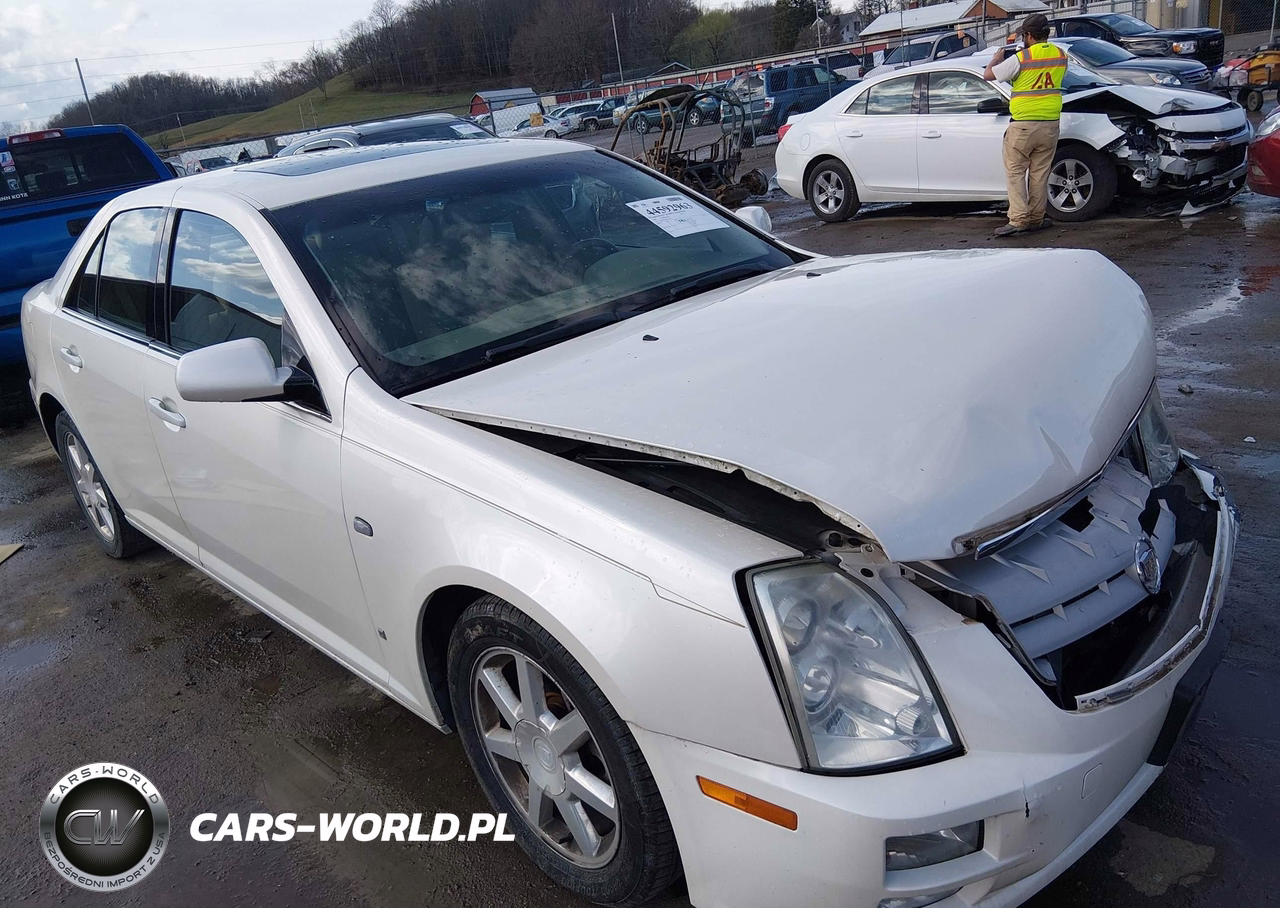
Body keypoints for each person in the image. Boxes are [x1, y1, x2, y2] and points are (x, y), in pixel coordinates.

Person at [983, 14, 1067, 237]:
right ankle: (1036, 218)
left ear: (1028, 35)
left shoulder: (1022, 58)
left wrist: (996, 58)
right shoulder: (1061, 55)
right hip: (1050, 123)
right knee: (1040, 174)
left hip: (1023, 125)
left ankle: (1019, 219)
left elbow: (988, 75)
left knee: (1016, 172)